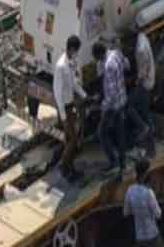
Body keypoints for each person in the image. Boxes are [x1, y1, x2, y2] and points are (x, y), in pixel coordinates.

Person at [53, 35, 88, 182]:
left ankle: (70, 167)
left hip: (70, 105)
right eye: (76, 51)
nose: (77, 54)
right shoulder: (61, 66)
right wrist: (63, 116)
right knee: (73, 140)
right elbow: (58, 92)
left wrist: (84, 95)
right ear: (72, 49)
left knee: (69, 139)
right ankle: (64, 166)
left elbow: (73, 83)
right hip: (65, 107)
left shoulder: (69, 62)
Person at [93, 40, 129, 178]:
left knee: (101, 133)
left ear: (100, 55)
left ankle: (113, 163)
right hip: (122, 100)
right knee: (120, 134)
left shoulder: (108, 67)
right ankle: (123, 164)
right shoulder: (116, 53)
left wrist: (102, 106)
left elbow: (111, 94)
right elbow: (127, 64)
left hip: (113, 106)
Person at [124, 159, 164, 247]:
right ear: (145, 173)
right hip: (153, 236)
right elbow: (158, 214)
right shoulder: (148, 193)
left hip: (139, 238)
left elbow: (125, 212)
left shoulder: (130, 190)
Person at [128, 31, 156, 158]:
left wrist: (133, 81)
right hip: (147, 81)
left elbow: (142, 73)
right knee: (145, 114)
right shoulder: (142, 36)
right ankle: (151, 150)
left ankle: (143, 128)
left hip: (145, 84)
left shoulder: (140, 50)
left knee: (129, 106)